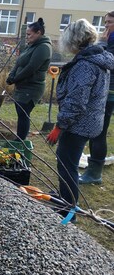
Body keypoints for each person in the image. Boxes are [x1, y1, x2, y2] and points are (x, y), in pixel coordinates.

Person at [46, 19, 114, 221]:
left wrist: (59, 127)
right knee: (68, 161)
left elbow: (76, 102)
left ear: (74, 41)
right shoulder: (99, 58)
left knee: (67, 164)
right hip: (90, 121)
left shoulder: (84, 66)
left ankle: (68, 211)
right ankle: (65, 199)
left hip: (79, 125)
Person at [80, 11, 114, 184]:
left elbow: (106, 59)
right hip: (106, 92)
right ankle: (94, 172)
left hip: (108, 93)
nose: (106, 25)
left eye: (109, 22)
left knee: (98, 133)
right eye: (105, 22)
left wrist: (102, 42)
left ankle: (94, 174)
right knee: (97, 132)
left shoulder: (112, 40)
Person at [6, 18, 52, 141]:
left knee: (24, 114)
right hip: (22, 85)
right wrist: (12, 75)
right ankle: (19, 138)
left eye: (29, 34)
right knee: (20, 113)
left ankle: (20, 140)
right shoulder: (31, 46)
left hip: (32, 87)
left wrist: (15, 79)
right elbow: (19, 62)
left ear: (38, 33)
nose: (27, 37)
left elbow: (31, 67)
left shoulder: (44, 47)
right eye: (26, 34)